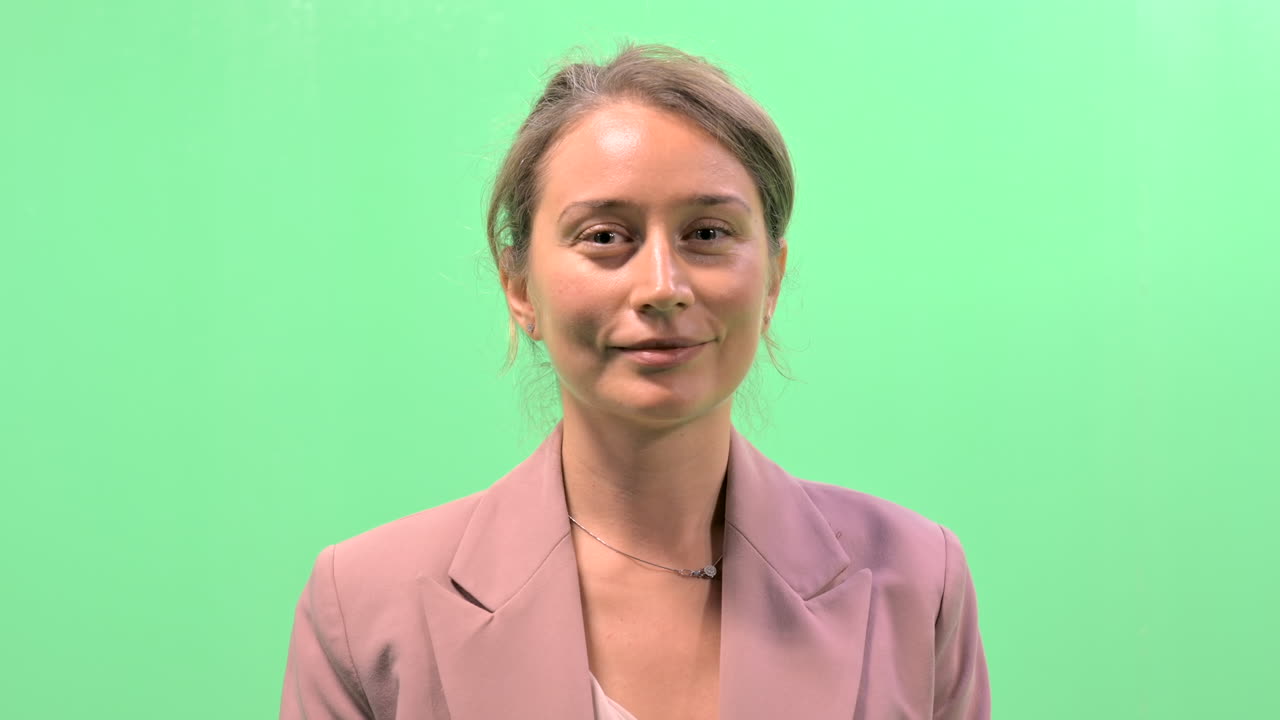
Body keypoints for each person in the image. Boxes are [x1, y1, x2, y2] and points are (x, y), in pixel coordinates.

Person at [280, 42, 990, 720]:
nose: (662, 286)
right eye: (605, 236)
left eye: (708, 233)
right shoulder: (365, 604)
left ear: (772, 278)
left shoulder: (917, 582)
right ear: (518, 284)